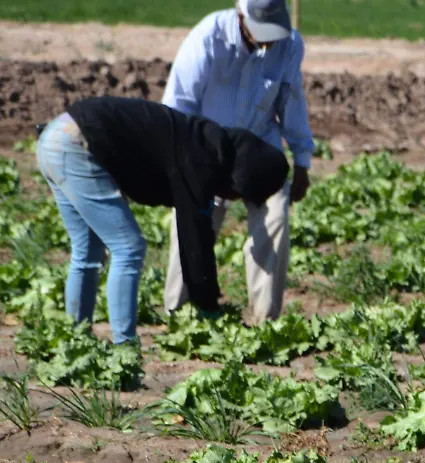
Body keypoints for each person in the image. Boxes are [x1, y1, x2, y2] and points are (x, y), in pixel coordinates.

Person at [34, 97, 290, 346]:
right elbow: (195, 237)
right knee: (129, 247)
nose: (231, 198)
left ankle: (75, 340)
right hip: (78, 144)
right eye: (239, 194)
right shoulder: (200, 160)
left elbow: (195, 232)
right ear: (240, 177)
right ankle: (124, 349)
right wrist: (208, 306)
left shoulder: (203, 141)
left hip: (56, 138)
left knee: (88, 251)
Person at [162, 0, 313, 323]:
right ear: (241, 15)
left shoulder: (290, 45)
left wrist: (302, 161)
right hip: (205, 147)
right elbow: (178, 104)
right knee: (192, 225)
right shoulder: (209, 37)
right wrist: (181, 166)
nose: (269, 40)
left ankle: (265, 320)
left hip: (259, 149)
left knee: (275, 216)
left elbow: (292, 103)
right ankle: (180, 315)